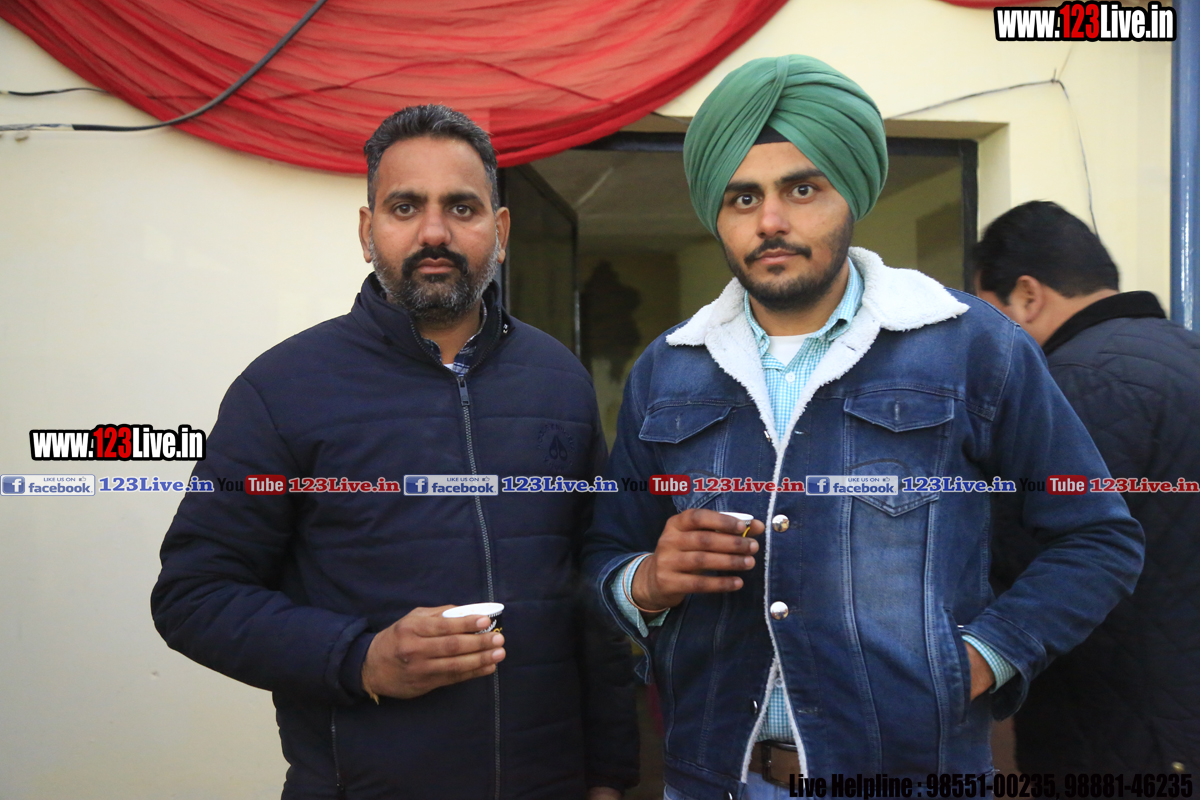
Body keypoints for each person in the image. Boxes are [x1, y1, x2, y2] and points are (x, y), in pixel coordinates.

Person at [580, 55, 1144, 798]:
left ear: (851, 194)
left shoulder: (970, 345)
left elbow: (1097, 536)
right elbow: (603, 553)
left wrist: (979, 660)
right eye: (743, 197)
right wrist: (648, 581)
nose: (771, 221)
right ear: (717, 213)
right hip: (713, 779)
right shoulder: (669, 368)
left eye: (802, 189)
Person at [151, 105, 638, 800]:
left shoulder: (559, 379)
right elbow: (194, 596)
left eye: (462, 207)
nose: (434, 233)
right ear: (367, 230)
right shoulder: (281, 388)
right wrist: (362, 658)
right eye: (405, 207)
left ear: (500, 232)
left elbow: (594, 589)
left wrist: (610, 776)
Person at [974, 200, 1200, 777]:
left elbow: (1022, 563)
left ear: (1028, 295)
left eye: (988, 314)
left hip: (1121, 732)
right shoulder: (1183, 356)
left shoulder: (1074, 384)